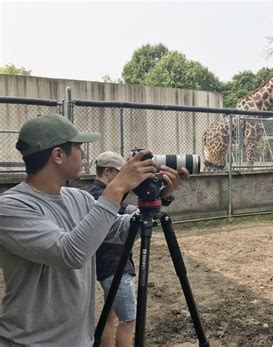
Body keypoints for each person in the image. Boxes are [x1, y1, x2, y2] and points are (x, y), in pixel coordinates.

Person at [0, 114, 189, 346]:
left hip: (80, 340)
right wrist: (118, 186)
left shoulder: (78, 198)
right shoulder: (10, 208)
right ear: (58, 155)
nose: (84, 153)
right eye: (78, 146)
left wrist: (153, 202)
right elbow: (71, 253)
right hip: (30, 341)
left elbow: (121, 231)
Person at [90, 151, 151, 347]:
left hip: (106, 265)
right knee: (129, 321)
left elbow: (127, 208)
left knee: (109, 316)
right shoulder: (103, 198)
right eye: (121, 172)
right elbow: (129, 217)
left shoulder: (98, 194)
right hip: (116, 266)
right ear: (108, 172)